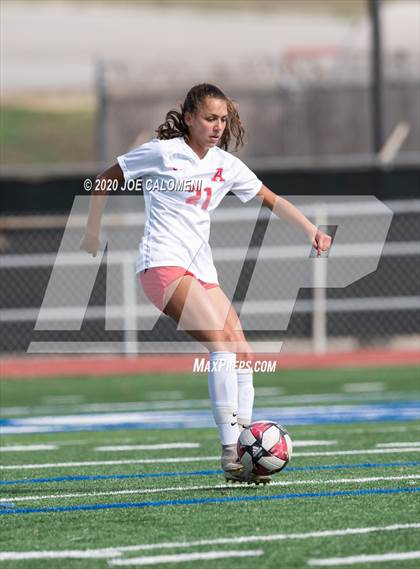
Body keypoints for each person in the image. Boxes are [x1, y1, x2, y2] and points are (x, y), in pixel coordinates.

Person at [81, 83, 331, 484]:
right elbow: (103, 180)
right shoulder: (164, 152)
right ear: (189, 119)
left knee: (244, 352)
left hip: (201, 271)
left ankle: (247, 447)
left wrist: (311, 230)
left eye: (223, 120)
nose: (218, 127)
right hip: (161, 266)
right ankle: (231, 451)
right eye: (210, 119)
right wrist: (92, 232)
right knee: (220, 343)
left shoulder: (225, 165)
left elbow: (272, 199)